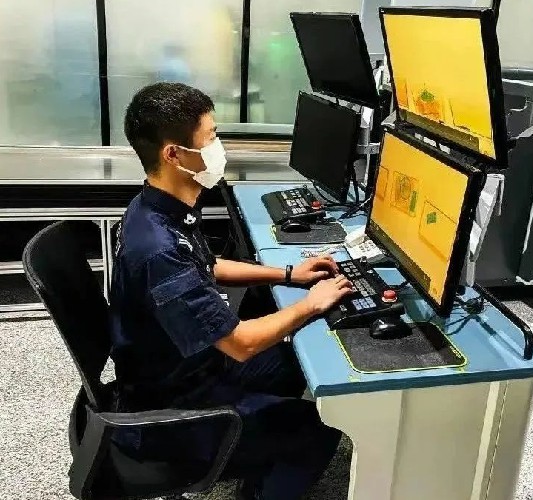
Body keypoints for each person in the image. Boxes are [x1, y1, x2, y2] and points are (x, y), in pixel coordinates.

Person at [110, 82, 352, 500]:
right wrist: (313, 304)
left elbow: (207, 265)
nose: (218, 147)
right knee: (318, 430)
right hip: (174, 404)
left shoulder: (157, 207)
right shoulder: (158, 248)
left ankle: (256, 453)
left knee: (294, 360)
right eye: (211, 137)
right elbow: (240, 344)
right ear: (173, 154)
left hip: (192, 365)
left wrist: (288, 274)